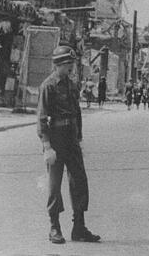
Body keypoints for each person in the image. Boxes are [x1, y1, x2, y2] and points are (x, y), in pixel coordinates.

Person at [37, 45, 101, 244]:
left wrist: (79, 138)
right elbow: (41, 118)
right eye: (67, 64)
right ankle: (54, 227)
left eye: (71, 64)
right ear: (57, 65)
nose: (71, 68)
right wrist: (47, 146)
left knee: (79, 181)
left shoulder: (71, 84)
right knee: (55, 185)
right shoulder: (48, 86)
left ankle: (79, 227)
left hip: (71, 139)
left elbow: (77, 113)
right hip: (55, 138)